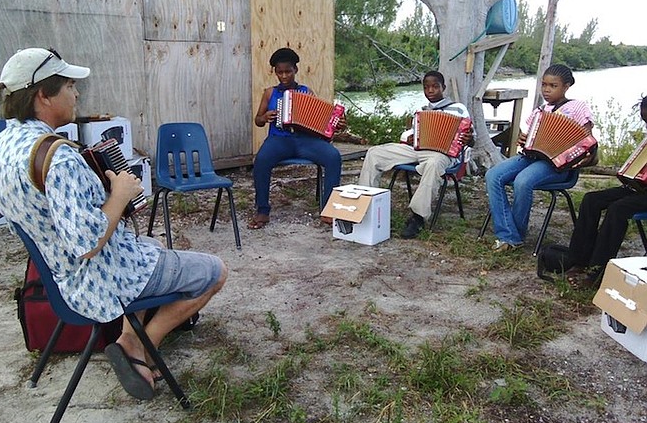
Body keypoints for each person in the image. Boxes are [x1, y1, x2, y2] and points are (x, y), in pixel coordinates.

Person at [0, 47, 227, 401]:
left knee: (154, 246)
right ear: (42, 95)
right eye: (69, 86)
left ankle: (131, 339)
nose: (77, 93)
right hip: (98, 280)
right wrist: (121, 192)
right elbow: (89, 242)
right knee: (215, 271)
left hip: (58, 275)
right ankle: (141, 347)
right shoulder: (58, 156)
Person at [485, 64, 595, 252]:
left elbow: (587, 140)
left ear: (566, 87)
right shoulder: (540, 111)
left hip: (558, 165)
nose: (546, 89)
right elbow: (528, 137)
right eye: (544, 85)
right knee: (493, 175)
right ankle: (507, 234)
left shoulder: (577, 107)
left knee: (522, 181)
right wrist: (523, 139)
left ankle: (513, 238)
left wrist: (567, 148)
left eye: (553, 86)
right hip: (531, 157)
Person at [357, 71, 473, 239]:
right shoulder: (421, 111)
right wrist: (411, 137)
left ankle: (418, 217)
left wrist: (469, 139)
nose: (430, 91)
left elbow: (471, 140)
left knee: (433, 165)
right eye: (426, 87)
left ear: (443, 88)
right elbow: (413, 134)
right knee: (375, 153)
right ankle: (365, 205)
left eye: (435, 87)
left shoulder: (459, 109)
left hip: (443, 154)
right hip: (417, 150)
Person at [250, 47, 345, 229]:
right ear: (275, 72)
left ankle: (328, 209)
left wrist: (335, 125)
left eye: (288, 72)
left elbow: (320, 122)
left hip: (305, 140)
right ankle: (262, 210)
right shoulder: (270, 93)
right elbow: (258, 121)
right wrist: (265, 117)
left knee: (333, 157)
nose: (284, 76)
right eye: (279, 72)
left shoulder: (306, 91)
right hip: (279, 140)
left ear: (296, 70)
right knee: (261, 160)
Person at [566, 95, 647, 288]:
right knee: (591, 199)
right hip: (640, 190)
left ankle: (597, 271)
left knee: (618, 209)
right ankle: (579, 260)